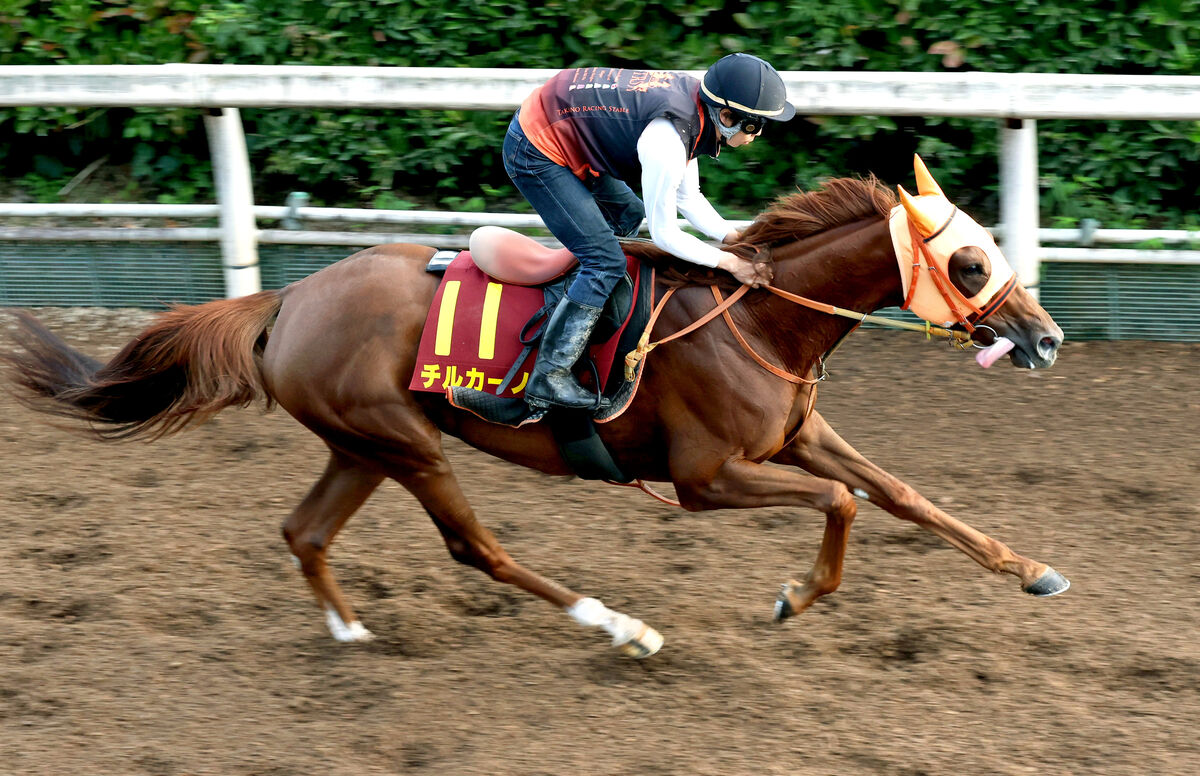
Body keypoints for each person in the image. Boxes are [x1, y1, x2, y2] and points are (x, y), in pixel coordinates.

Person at [504, 53, 795, 411]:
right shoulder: (667, 139)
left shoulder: (695, 111)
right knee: (606, 262)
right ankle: (549, 376)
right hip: (537, 148)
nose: (759, 135)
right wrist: (730, 263)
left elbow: (690, 197)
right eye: (755, 126)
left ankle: (578, 301)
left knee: (629, 213)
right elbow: (664, 235)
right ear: (728, 117)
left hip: (569, 124)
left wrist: (734, 240)